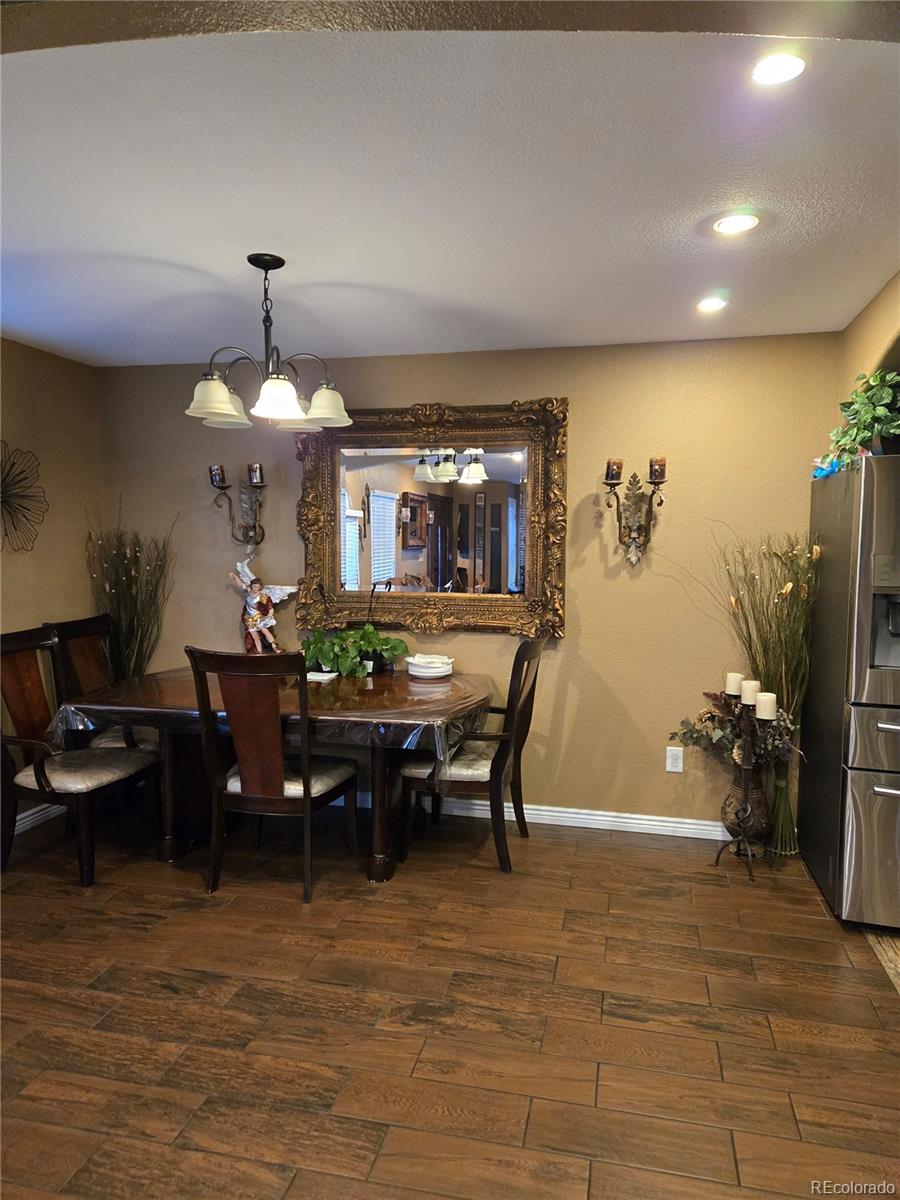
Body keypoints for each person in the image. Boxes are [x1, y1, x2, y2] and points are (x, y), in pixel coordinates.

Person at [228, 558, 296, 654]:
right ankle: (259, 653)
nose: (257, 588)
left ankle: (275, 648)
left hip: (258, 617)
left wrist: (269, 615)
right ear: (251, 586)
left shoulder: (262, 596)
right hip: (249, 618)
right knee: (255, 636)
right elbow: (240, 584)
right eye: (255, 586)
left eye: (258, 586)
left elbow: (270, 607)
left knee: (265, 631)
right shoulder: (248, 591)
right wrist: (234, 576)